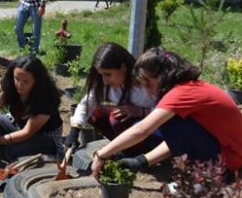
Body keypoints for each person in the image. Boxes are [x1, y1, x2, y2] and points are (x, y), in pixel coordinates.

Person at [91, 47, 242, 181]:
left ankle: (214, 176)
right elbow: (177, 139)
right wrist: (141, 161)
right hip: (228, 152)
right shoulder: (190, 87)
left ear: (163, 75)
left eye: (149, 84)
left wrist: (102, 154)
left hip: (229, 158)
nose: (150, 91)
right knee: (170, 123)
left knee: (166, 121)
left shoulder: (181, 94)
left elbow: (142, 130)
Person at [65, 43, 162, 156]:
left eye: (108, 74)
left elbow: (170, 111)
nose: (105, 80)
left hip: (155, 126)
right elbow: (86, 103)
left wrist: (140, 111)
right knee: (95, 114)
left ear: (123, 67)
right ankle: (124, 147)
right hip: (132, 123)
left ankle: (140, 153)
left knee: (116, 119)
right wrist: (75, 130)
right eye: (101, 74)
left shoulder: (145, 83)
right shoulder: (107, 84)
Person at [0, 55, 64, 161]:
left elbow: (27, 132)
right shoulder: (9, 84)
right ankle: (2, 154)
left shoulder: (46, 98)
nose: (19, 84)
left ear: (37, 81)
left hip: (45, 136)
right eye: (16, 78)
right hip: (19, 126)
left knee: (12, 151)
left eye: (26, 81)